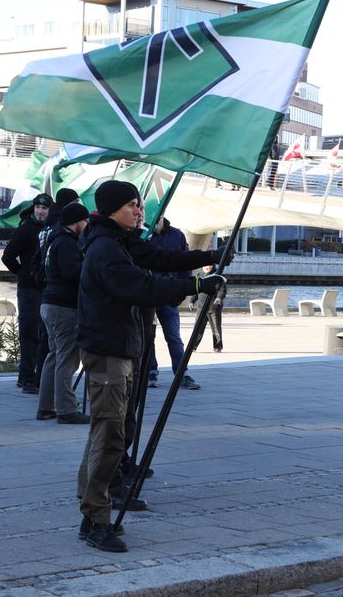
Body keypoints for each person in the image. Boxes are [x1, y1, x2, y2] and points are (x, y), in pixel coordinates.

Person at [75, 180, 225, 553]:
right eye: (131, 205)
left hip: (121, 349)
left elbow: (158, 259)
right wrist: (195, 287)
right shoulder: (106, 248)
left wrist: (207, 258)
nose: (139, 211)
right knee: (110, 436)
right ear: (111, 210)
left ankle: (93, 507)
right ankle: (95, 519)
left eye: (139, 205)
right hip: (109, 352)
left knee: (109, 433)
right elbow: (139, 286)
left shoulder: (120, 240)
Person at [37, 202, 91, 425]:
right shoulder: (67, 243)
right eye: (85, 221)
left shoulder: (53, 240)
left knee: (54, 355)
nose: (87, 225)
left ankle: (46, 406)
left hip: (48, 303)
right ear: (76, 222)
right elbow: (73, 272)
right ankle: (66, 409)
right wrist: (88, 263)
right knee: (67, 359)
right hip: (63, 307)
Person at [1, 193, 52, 394]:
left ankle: (38, 376)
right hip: (29, 288)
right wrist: (23, 273)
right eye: (38, 208)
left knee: (43, 334)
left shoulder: (50, 230)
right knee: (29, 331)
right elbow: (8, 256)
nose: (40, 211)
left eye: (44, 209)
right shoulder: (26, 229)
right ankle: (26, 377)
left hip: (44, 287)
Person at [146, 216, 200, 390]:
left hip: (169, 292)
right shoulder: (142, 235)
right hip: (148, 292)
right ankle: (150, 372)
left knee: (174, 336)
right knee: (148, 336)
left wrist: (183, 289)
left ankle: (181, 373)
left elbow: (185, 263)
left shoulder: (177, 235)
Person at [201, 264, 226, 352]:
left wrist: (219, 297)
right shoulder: (200, 276)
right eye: (205, 265)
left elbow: (222, 289)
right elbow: (196, 289)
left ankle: (218, 346)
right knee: (199, 328)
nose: (207, 267)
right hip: (202, 307)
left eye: (209, 265)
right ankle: (193, 346)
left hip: (213, 307)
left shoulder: (217, 276)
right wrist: (192, 301)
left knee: (216, 328)